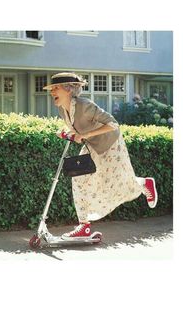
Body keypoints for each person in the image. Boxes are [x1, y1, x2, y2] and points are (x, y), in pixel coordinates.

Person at [43, 72, 158, 240]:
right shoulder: (62, 109)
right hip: (92, 146)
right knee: (78, 180)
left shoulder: (85, 105)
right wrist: (68, 133)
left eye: (56, 88)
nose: (52, 92)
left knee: (117, 182)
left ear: (68, 89)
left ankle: (144, 183)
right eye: (52, 89)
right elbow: (78, 131)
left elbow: (112, 124)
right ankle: (84, 226)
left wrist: (85, 135)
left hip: (110, 143)